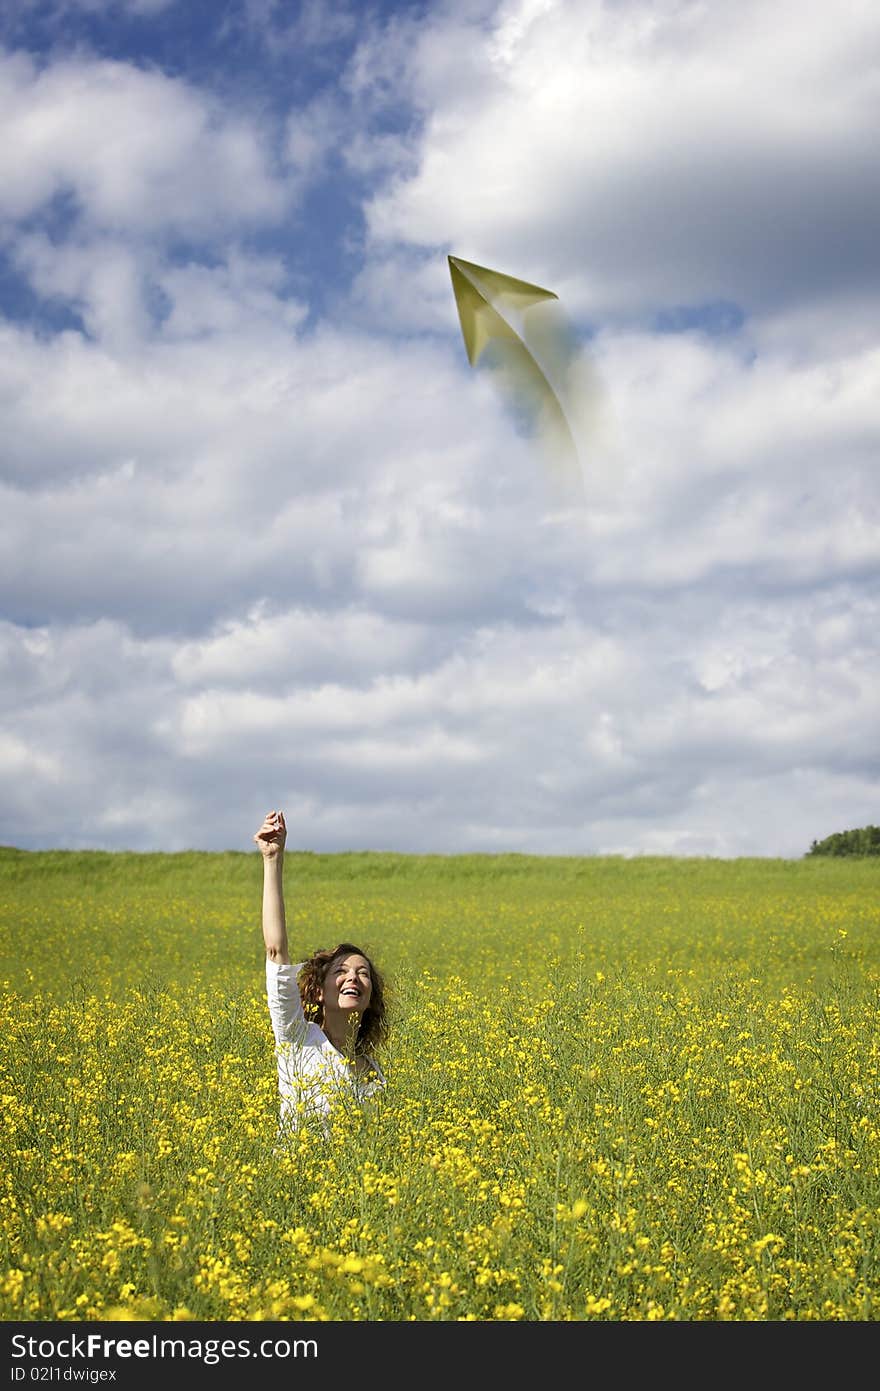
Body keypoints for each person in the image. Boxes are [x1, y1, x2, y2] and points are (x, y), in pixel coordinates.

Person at [253, 809, 388, 1135]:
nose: (354, 978)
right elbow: (276, 950)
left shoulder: (374, 1073)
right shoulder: (296, 1038)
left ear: (371, 999)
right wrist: (273, 861)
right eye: (341, 971)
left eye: (363, 974)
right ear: (317, 990)